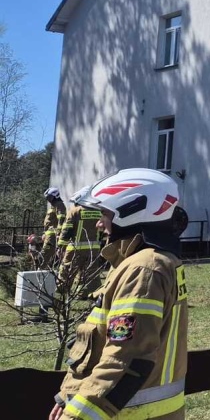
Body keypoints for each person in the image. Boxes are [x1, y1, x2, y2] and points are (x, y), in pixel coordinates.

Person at [50, 168, 188, 420]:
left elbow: (125, 359)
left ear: (131, 211)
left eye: (105, 213)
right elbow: (99, 341)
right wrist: (68, 394)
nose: (99, 223)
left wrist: (76, 416)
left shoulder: (142, 269)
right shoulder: (145, 262)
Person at [59, 188, 105, 297]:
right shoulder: (100, 212)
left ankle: (61, 292)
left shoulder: (74, 211)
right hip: (93, 250)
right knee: (90, 273)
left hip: (75, 249)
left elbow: (66, 230)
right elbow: (103, 231)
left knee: (67, 271)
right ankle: (87, 294)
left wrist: (61, 246)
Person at [39, 188, 67, 267]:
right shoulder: (53, 206)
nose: (48, 199)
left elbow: (61, 220)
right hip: (49, 235)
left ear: (55, 196)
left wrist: (58, 234)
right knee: (46, 256)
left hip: (53, 236)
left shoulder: (59, 205)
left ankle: (41, 272)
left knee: (44, 256)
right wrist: (45, 233)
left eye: (49, 197)